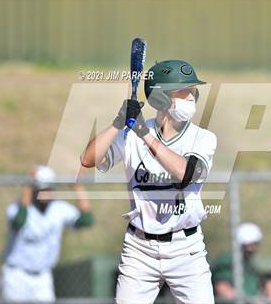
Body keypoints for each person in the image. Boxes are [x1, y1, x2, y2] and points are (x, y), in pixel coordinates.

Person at [81, 60, 217, 303]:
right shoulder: (131, 136)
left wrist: (145, 135)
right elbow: (88, 159)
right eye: (183, 92)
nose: (192, 97)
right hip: (139, 249)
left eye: (192, 91)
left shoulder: (203, 138)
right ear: (161, 98)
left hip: (186, 249)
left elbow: (185, 174)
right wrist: (117, 124)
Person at [0, 165, 94, 303]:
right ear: (34, 189)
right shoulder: (18, 208)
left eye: (50, 188)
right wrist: (25, 194)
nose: (47, 192)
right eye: (42, 188)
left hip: (43, 277)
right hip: (16, 275)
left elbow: (86, 220)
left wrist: (78, 189)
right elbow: (18, 222)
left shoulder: (58, 208)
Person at [212, 222, 271, 301]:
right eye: (249, 245)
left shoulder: (249, 264)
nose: (252, 248)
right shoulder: (226, 261)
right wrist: (249, 301)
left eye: (255, 244)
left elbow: (259, 284)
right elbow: (222, 288)